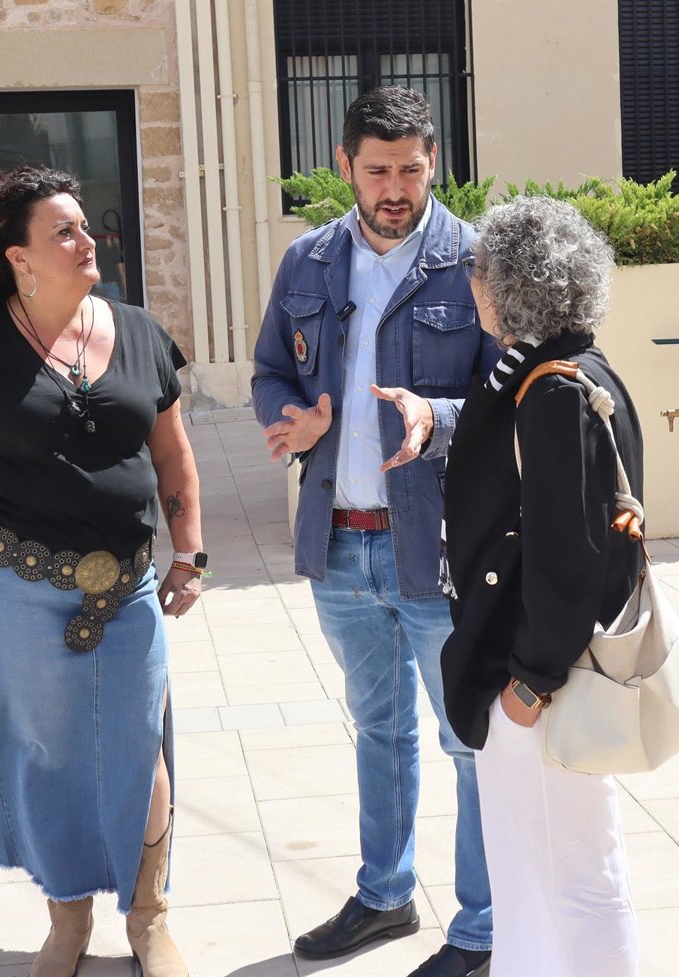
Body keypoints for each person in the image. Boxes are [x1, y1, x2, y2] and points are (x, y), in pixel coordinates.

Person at [0, 164, 204, 977]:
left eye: (85, 225)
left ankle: (148, 916)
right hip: (15, 585)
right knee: (48, 753)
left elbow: (174, 457)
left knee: (139, 749)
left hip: (127, 586)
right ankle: (67, 919)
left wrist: (190, 553)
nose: (85, 239)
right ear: (20, 258)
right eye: (63, 231)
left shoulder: (140, 332)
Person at [252, 87, 499, 977]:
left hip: (438, 550)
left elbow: (513, 394)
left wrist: (437, 415)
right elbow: (270, 368)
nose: (395, 188)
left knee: (469, 741)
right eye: (377, 170)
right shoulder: (308, 261)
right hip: (340, 545)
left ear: (434, 164)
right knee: (379, 728)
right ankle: (385, 894)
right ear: (347, 167)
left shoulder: (475, 261)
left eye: (410, 169)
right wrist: (290, 420)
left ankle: (483, 927)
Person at [442, 196, 644, 976]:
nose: (471, 281)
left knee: (577, 879)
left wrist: (528, 683)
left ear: (509, 284)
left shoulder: (554, 388)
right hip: (536, 674)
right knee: (532, 875)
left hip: (540, 681)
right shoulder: (572, 369)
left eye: (479, 268)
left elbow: (571, 556)